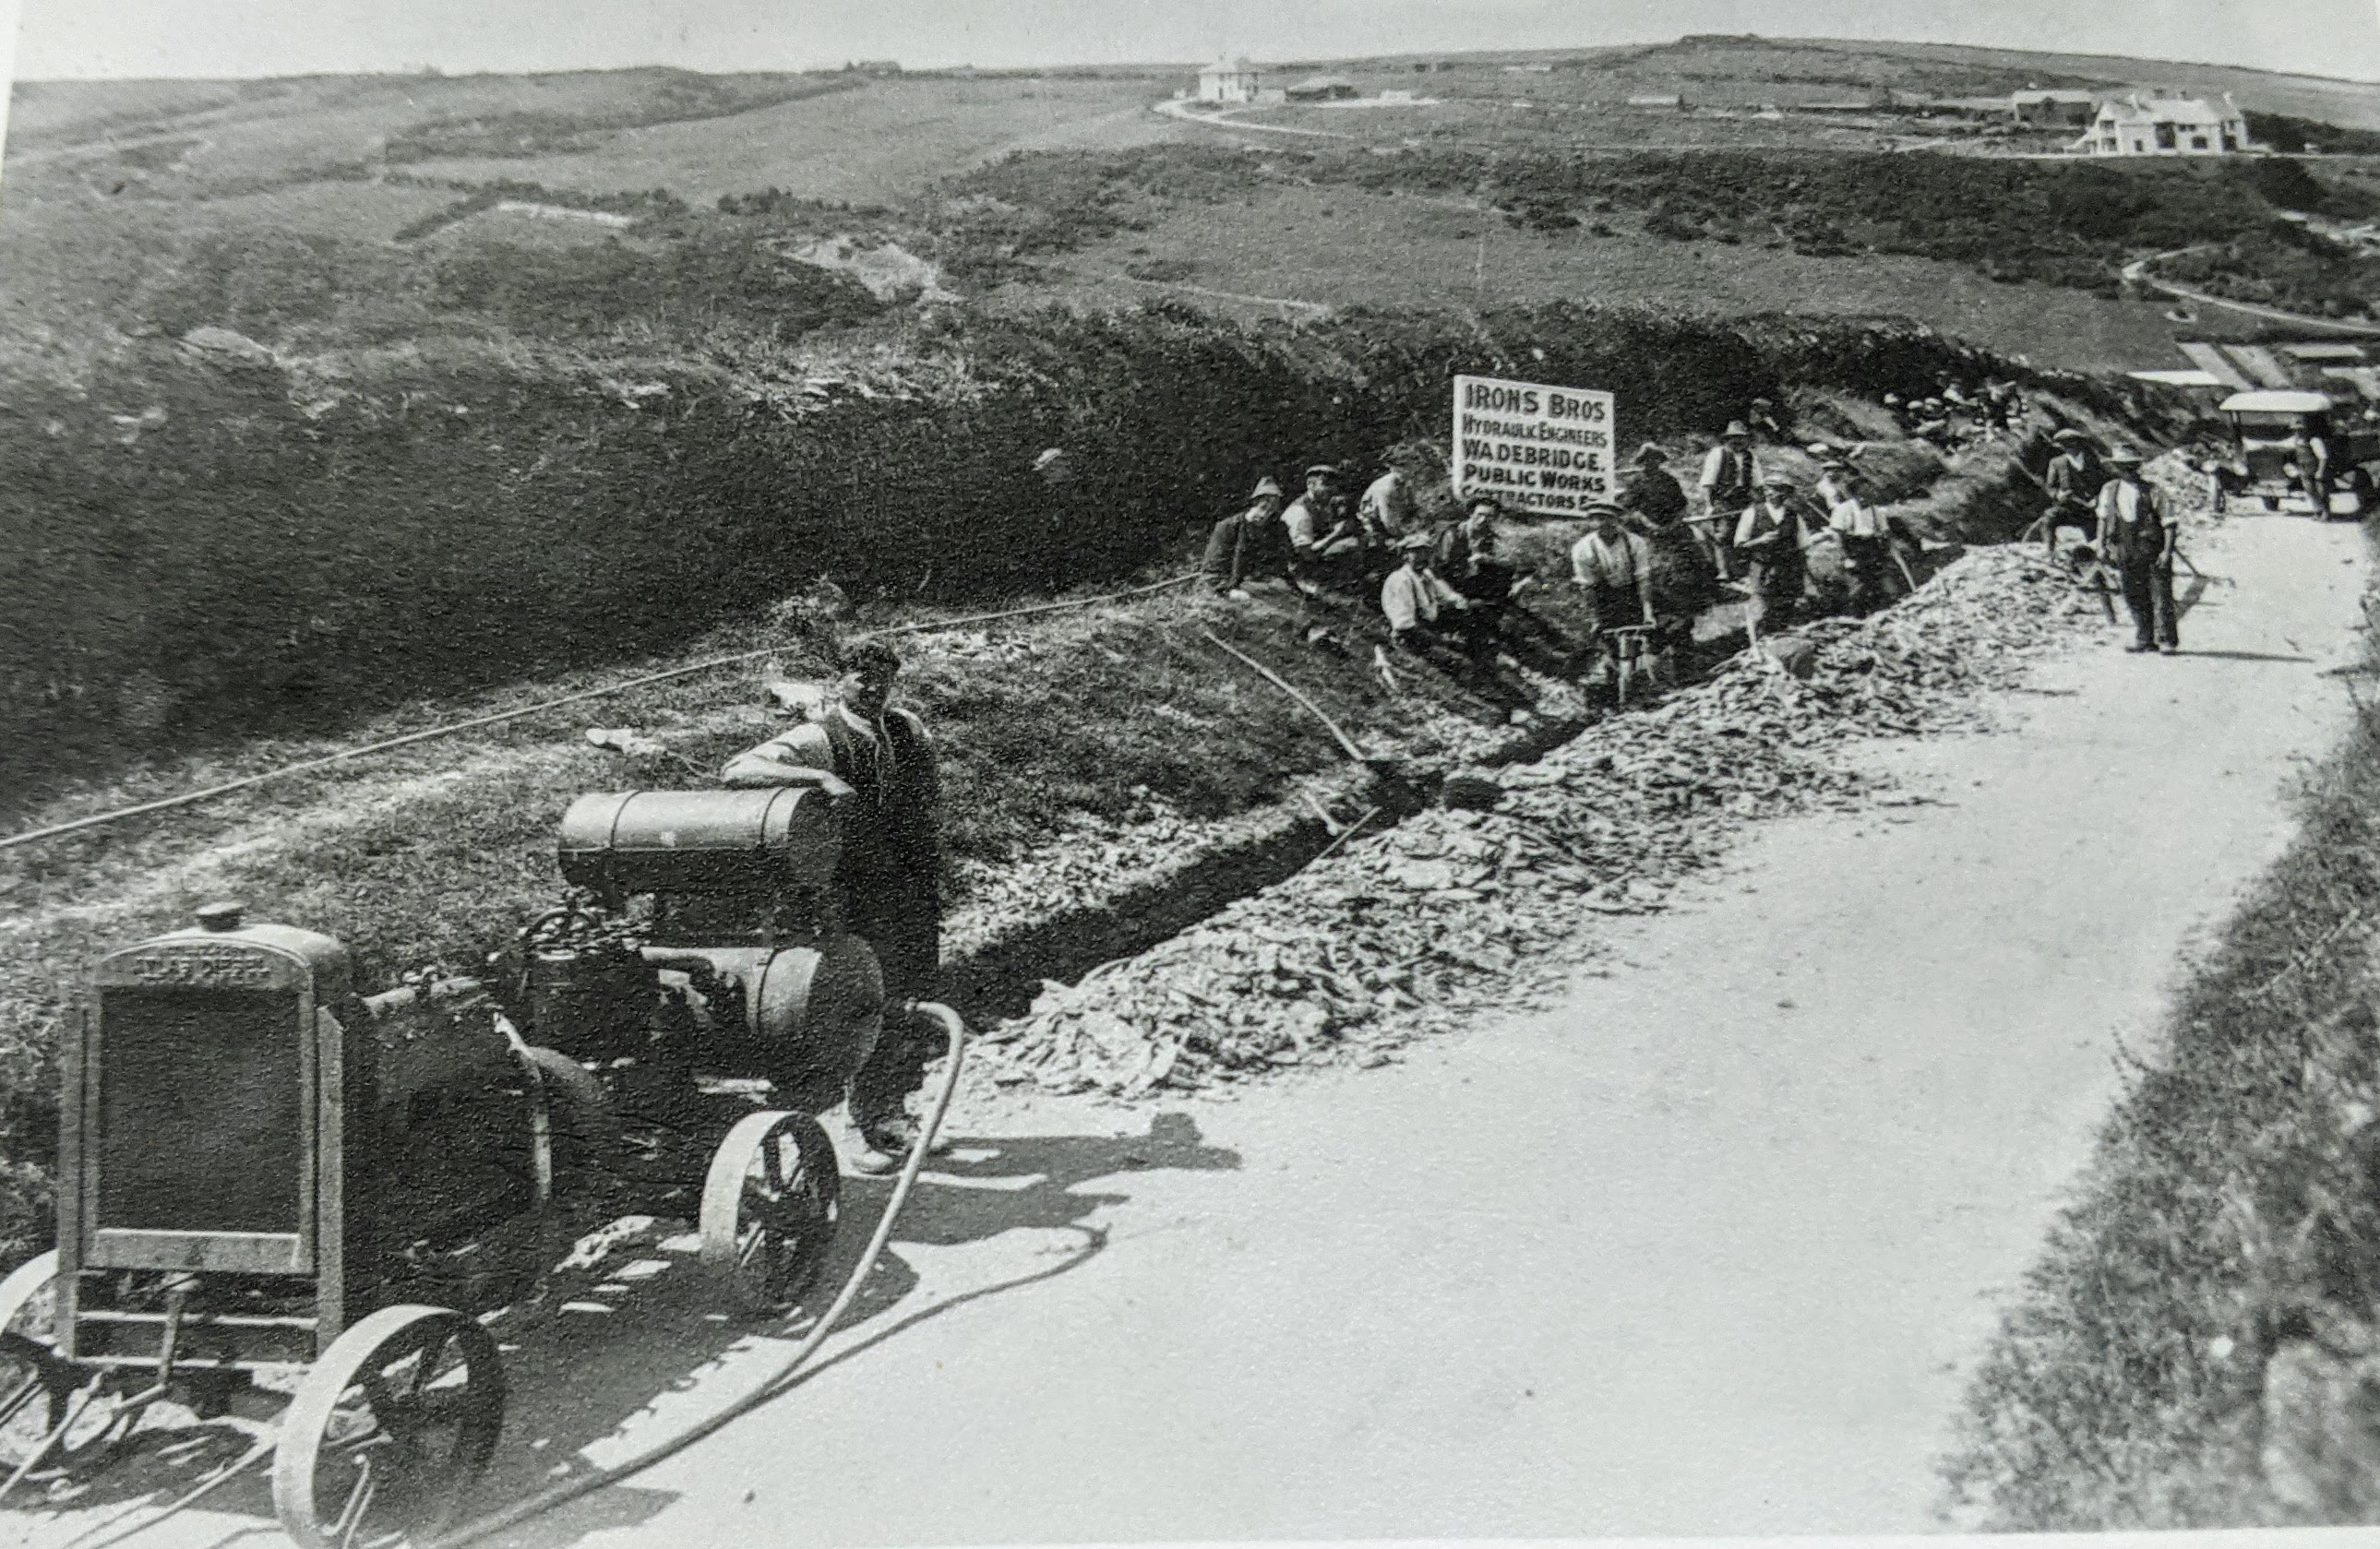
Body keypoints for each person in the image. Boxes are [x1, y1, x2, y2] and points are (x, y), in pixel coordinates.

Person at [720, 639, 945, 1172]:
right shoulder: (818, 737)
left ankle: (892, 1112)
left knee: (911, 998)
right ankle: (855, 1126)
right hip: (853, 895)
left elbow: (929, 799)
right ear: (838, 682)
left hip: (909, 888)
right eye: (861, 677)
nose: (873, 687)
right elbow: (737, 770)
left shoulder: (908, 730)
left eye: (883, 677)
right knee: (864, 1005)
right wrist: (817, 777)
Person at [2096, 447, 2179, 655]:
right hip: (2125, 547)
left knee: (2161, 595)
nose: (2128, 471)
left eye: (2132, 466)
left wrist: (2167, 552)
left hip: (2151, 547)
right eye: (2123, 467)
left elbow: (2169, 523)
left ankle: (2167, 640)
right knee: (2133, 593)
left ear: (2138, 467)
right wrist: (2101, 545)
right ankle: (2144, 638)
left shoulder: (2153, 491)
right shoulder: (2109, 489)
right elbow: (2103, 518)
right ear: (2116, 468)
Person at [1570, 502, 1657, 685]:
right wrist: (1595, 619)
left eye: (1608, 520)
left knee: (1644, 636)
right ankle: (1613, 681)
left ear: (1617, 521)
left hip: (1632, 593)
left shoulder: (1635, 542)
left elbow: (1643, 578)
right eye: (1597, 520)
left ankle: (1643, 675)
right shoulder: (1582, 548)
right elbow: (1587, 587)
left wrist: (1648, 612)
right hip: (1604, 597)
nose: (1603, 525)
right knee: (1608, 642)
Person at [1381, 532, 1486, 664]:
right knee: (1460, 662)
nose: (1423, 557)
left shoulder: (1426, 575)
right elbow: (1405, 625)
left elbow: (1447, 596)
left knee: (1476, 614)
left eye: (1426, 552)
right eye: (1417, 553)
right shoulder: (1401, 580)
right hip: (1410, 636)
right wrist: (1442, 640)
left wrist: (1464, 603)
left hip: (1429, 627)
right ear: (1406, 555)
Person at [1733, 473, 1811, 641]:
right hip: (1762, 567)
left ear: (1785, 493)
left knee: (1784, 606)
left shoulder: (1794, 516)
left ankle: (1780, 642)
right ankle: (1760, 643)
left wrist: (1801, 570)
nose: (1769, 493)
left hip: (1787, 568)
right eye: (1767, 488)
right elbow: (1739, 543)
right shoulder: (1752, 512)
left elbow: (1803, 545)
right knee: (1762, 607)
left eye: (1775, 489)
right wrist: (1760, 540)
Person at [1202, 477, 1297, 596]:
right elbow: (1211, 571)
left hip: (1265, 587)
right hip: (1232, 588)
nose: (1266, 514)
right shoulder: (1229, 528)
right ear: (1255, 502)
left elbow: (1284, 564)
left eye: (1272, 508)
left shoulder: (1277, 528)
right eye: (1264, 506)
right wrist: (1229, 591)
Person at [1283, 463, 1367, 589]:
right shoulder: (1300, 512)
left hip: (1317, 556)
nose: (1332, 490)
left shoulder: (1322, 504)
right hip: (1300, 567)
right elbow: (1306, 553)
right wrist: (1336, 534)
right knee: (1350, 545)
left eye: (1334, 485)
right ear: (1310, 484)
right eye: (1326, 484)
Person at [1696, 423, 1759, 580]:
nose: (1737, 441)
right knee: (1723, 535)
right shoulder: (1717, 454)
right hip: (1722, 500)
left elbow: (1758, 483)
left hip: (1744, 500)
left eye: (1741, 438)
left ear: (1746, 440)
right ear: (1727, 439)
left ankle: (1741, 570)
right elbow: (1707, 484)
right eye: (1734, 438)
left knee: (1745, 533)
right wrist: (1709, 506)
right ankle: (1723, 571)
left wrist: (1759, 502)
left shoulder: (1750, 456)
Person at [1826, 473, 1895, 614]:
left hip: (1873, 549)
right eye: (1863, 494)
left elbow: (1886, 533)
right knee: (1857, 587)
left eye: (1869, 493)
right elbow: (1837, 535)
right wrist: (1845, 558)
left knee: (1882, 586)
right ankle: (1856, 619)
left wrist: (1886, 551)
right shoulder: (1843, 509)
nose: (1867, 497)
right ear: (1855, 495)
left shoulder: (1877, 511)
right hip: (1853, 549)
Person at [2040, 429, 2105, 555]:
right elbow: (2050, 487)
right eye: (2065, 444)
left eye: (2072, 443)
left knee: (2097, 527)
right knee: (2049, 518)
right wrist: (2057, 495)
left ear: (2079, 444)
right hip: (2067, 505)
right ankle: (2049, 550)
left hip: (2089, 507)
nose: (2069, 447)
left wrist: (2097, 500)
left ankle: (2095, 551)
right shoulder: (2057, 462)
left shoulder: (2091, 460)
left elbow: (2101, 483)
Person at [1619, 443, 1691, 529]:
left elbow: (1681, 505)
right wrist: (1648, 524)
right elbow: (1629, 507)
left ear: (1659, 460)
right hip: (1644, 526)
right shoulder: (1635, 480)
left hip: (1670, 525)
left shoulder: (1669, 480)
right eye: (1647, 459)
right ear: (1643, 461)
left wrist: (1672, 525)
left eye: (1655, 458)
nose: (1651, 462)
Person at [1357, 455, 1420, 544]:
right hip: (1376, 525)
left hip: (1396, 520)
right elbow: (1387, 518)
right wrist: (1404, 534)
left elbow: (1413, 506)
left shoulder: (1406, 483)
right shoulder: (1387, 486)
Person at [2288, 423, 2332, 513]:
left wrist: (2320, 471)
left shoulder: (2314, 440)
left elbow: (2323, 457)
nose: (2297, 432)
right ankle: (2317, 511)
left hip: (2314, 468)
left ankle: (2326, 512)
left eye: (2300, 430)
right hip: (2304, 469)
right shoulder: (2295, 440)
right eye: (2295, 430)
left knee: (2321, 491)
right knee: (2310, 491)